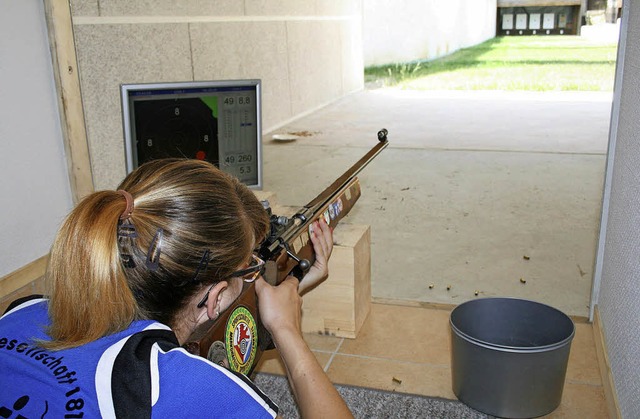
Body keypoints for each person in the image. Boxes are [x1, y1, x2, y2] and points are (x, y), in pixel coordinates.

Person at [0, 158, 353, 418]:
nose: (253, 277)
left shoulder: (25, 311)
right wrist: (287, 329)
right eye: (249, 269)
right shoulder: (183, 387)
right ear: (213, 299)